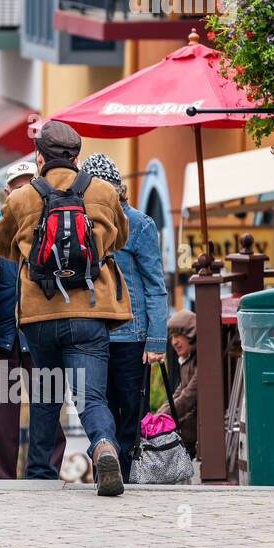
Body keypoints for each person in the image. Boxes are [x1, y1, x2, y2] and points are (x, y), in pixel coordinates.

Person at [0, 120, 131, 496]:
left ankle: (40, 477)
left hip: (39, 316)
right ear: (77, 157)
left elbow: (0, 245)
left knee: (46, 393)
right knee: (91, 397)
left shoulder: (20, 199)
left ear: (39, 158)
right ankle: (103, 446)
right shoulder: (101, 191)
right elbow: (121, 236)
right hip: (89, 311)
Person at [79, 152, 169, 482]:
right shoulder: (77, 224)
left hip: (132, 337)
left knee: (132, 413)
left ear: (118, 190)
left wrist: (156, 340)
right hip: (91, 334)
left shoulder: (139, 225)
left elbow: (156, 287)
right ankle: (108, 468)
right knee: (97, 408)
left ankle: (127, 477)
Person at [0, 161, 66, 480]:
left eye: (29, 185)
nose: (23, 192)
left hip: (43, 337)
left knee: (49, 417)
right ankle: (0, 486)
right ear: (6, 192)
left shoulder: (55, 225)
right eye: (17, 187)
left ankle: (45, 478)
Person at [158, 309, 198, 457]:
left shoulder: (201, 360)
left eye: (178, 336)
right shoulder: (187, 361)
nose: (174, 342)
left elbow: (188, 397)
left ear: (191, 335)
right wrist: (159, 414)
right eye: (171, 337)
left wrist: (162, 418)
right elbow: (179, 392)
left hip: (200, 425)